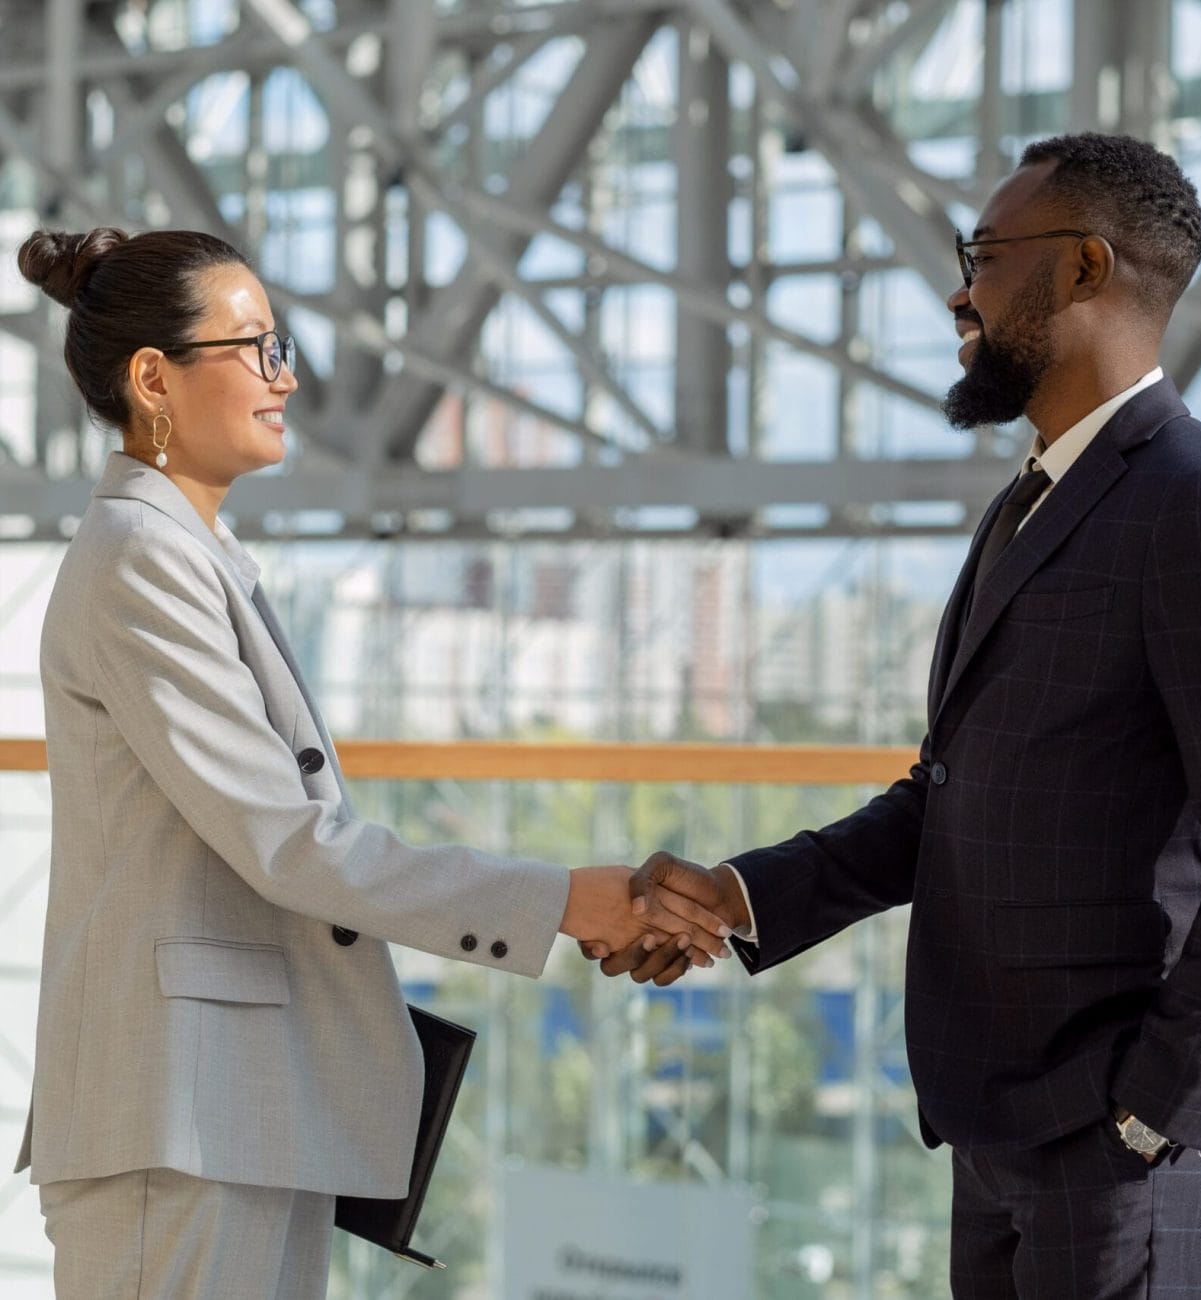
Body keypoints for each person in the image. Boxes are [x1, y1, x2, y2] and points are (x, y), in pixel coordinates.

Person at [588, 133, 1201, 1298]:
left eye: (981, 255)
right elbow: (952, 791)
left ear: (1081, 269)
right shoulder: (1034, 501)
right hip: (1009, 1116)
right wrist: (739, 895)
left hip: (1123, 1135)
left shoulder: (1200, 507)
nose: (955, 291)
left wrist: (1151, 1111)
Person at [15, 226, 730, 1300]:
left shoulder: (189, 555)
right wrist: (562, 899)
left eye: (281, 343)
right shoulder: (137, 559)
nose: (286, 376)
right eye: (255, 348)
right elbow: (288, 841)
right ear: (153, 378)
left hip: (233, 1112)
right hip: (182, 1120)